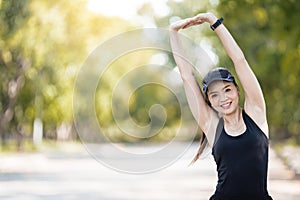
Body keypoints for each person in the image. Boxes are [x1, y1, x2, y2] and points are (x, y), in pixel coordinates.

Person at [169, 12, 273, 200]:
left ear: (237, 90)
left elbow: (239, 61)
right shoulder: (211, 125)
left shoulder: (256, 114)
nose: (223, 98)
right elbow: (186, 77)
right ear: (209, 100)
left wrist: (214, 21)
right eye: (214, 95)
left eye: (227, 90)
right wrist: (173, 32)